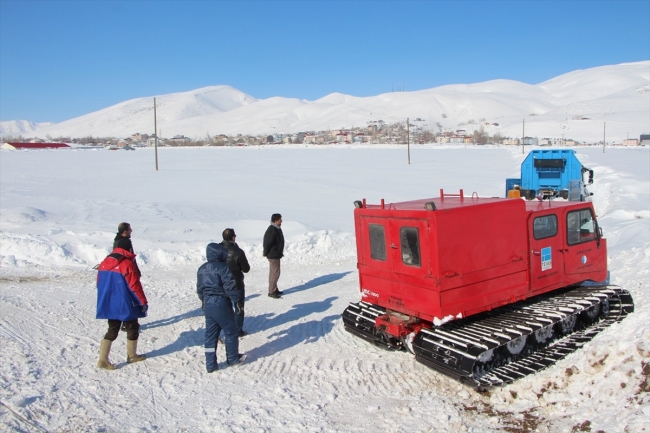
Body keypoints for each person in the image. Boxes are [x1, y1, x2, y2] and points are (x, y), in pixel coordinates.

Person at [95, 245, 148, 370]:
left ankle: (102, 359)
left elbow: (99, 283)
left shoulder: (104, 263)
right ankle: (132, 355)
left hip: (110, 303)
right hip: (126, 303)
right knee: (132, 328)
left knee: (112, 329)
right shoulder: (127, 264)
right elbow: (135, 286)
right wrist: (143, 302)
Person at [197, 242, 246, 372]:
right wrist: (237, 301)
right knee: (230, 330)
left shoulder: (202, 268)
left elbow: (199, 289)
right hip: (221, 302)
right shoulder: (223, 268)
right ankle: (233, 358)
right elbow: (230, 287)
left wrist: (204, 301)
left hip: (208, 304)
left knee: (211, 334)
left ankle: (210, 364)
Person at [220, 228, 250, 337]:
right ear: (233, 237)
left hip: (221, 283)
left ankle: (224, 329)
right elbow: (246, 268)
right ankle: (237, 330)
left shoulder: (217, 250)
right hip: (236, 284)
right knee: (238, 307)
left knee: (223, 308)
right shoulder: (238, 251)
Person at [263, 213, 285, 299]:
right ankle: (272, 291)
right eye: (280, 219)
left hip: (275, 254)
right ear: (276, 220)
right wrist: (265, 252)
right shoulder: (272, 230)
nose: (281, 221)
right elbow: (268, 242)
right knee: (275, 273)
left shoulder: (276, 228)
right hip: (273, 255)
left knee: (273, 273)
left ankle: (274, 289)